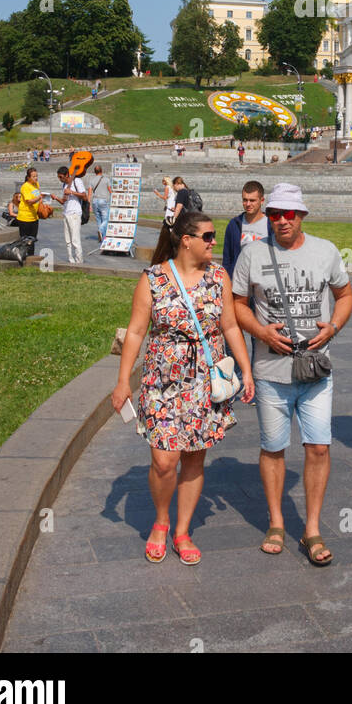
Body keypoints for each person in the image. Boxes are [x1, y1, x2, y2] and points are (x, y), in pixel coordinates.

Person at [111, 211, 254, 565]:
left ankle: (182, 530)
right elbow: (135, 332)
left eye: (214, 236)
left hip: (205, 380)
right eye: (207, 236)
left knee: (193, 456)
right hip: (162, 379)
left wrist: (246, 372)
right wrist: (122, 380)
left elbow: (231, 327)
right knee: (164, 459)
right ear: (185, 240)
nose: (213, 242)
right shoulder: (153, 280)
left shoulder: (219, 277)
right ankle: (161, 521)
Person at [232, 183, 352, 566]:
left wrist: (332, 327)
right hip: (270, 369)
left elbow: (346, 294)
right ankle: (277, 522)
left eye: (288, 214)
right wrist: (261, 331)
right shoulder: (252, 254)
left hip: (316, 369)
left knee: (318, 446)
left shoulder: (326, 251)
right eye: (274, 214)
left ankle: (313, 528)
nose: (281, 221)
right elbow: (236, 304)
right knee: (273, 448)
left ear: (302, 216)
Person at [222, 181, 274, 278]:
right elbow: (227, 259)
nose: (248, 204)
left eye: (252, 200)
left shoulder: (271, 224)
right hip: (239, 282)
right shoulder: (234, 225)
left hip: (264, 280)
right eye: (245, 200)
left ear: (262, 200)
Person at [49, 166, 88, 267]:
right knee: (68, 240)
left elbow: (84, 196)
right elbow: (63, 201)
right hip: (66, 213)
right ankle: (71, 260)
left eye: (61, 177)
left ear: (67, 175)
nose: (60, 179)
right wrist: (56, 198)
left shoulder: (77, 181)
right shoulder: (64, 185)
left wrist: (71, 192)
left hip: (75, 214)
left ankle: (79, 261)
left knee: (75, 239)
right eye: (59, 177)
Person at [16, 167, 42, 244]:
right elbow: (29, 202)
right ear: (28, 177)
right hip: (25, 218)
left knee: (32, 241)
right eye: (33, 176)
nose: (36, 178)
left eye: (36, 176)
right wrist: (39, 197)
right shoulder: (25, 187)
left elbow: (38, 196)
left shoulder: (36, 184)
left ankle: (31, 255)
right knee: (25, 242)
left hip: (34, 217)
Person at [90, 165, 111, 242]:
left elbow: (89, 193)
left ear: (95, 172)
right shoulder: (106, 180)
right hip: (103, 201)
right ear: (101, 171)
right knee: (106, 219)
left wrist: (89, 205)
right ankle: (101, 230)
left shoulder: (92, 181)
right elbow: (110, 190)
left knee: (99, 220)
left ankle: (102, 237)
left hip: (95, 201)